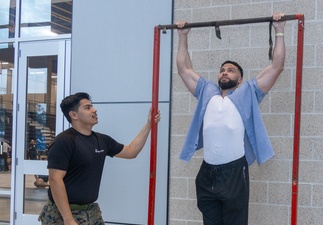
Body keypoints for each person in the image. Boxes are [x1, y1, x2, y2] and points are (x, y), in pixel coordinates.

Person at [176, 13, 286, 225]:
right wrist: (183, 36)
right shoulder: (207, 92)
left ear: (240, 78)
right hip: (207, 173)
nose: (224, 73)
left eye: (230, 70)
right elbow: (184, 69)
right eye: (222, 70)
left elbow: (276, 67)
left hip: (234, 172)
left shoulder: (248, 92)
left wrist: (279, 29)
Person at [38, 92, 160, 225]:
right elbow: (55, 179)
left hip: (91, 211)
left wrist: (148, 124)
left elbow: (131, 152)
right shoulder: (64, 141)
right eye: (87, 107)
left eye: (92, 106)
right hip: (63, 214)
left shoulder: (102, 140)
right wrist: (68, 219)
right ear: (74, 115)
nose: (94, 110)